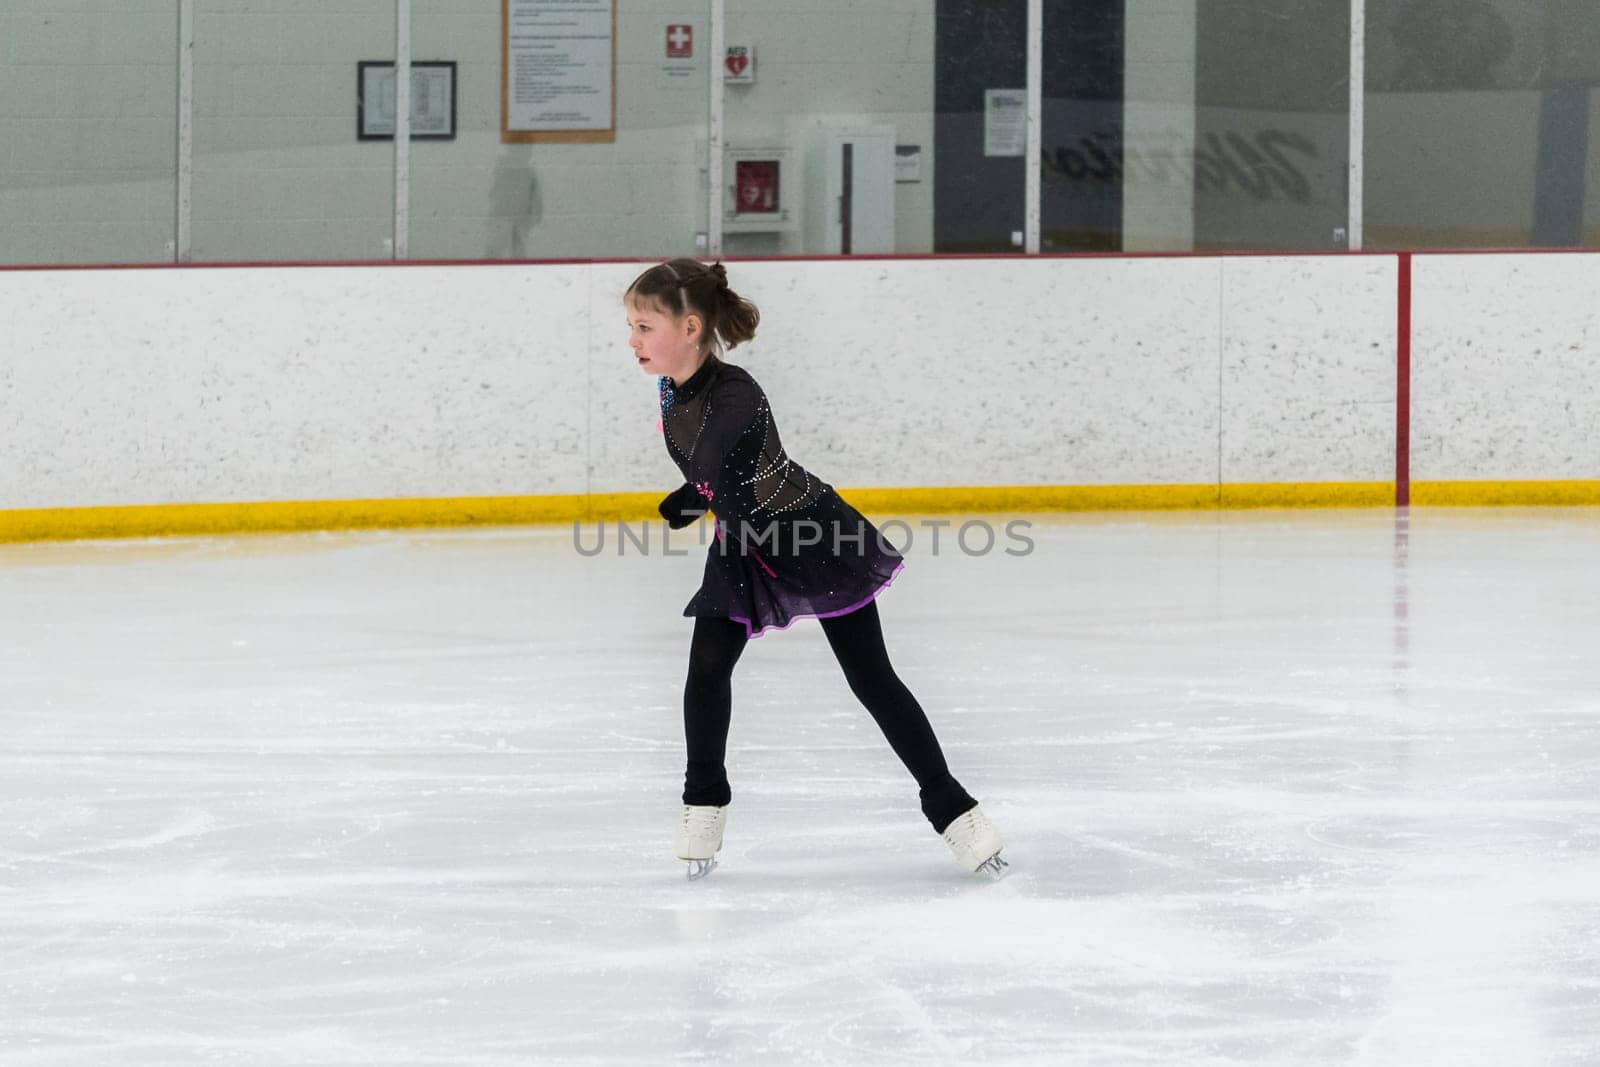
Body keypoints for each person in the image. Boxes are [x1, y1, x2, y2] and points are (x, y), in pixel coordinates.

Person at [626, 258, 1005, 879]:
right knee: (705, 670)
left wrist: (690, 498)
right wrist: (703, 501)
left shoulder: (736, 392)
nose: (633, 340)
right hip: (744, 542)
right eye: (632, 326)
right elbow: (715, 479)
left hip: (812, 535)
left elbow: (715, 465)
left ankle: (955, 810)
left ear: (690, 327)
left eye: (644, 326)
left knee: (871, 678)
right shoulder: (670, 389)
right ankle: (704, 802)